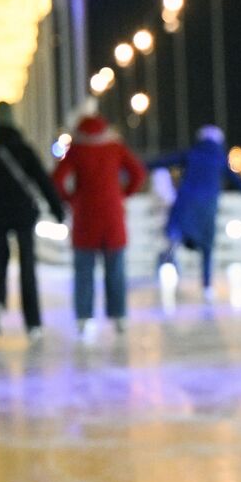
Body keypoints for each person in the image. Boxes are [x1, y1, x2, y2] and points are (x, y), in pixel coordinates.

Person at [0, 101, 67, 341]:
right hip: (22, 215)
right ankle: (33, 323)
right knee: (27, 267)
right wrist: (57, 209)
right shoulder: (23, 148)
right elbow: (42, 180)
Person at [51, 110, 146, 340]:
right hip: (112, 217)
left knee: (84, 272)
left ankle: (84, 317)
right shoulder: (115, 147)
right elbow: (138, 173)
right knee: (116, 271)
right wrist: (122, 194)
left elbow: (57, 180)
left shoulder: (76, 150)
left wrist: (71, 199)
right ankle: (119, 316)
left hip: (85, 218)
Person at [149, 125, 241, 302]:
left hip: (186, 204)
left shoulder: (192, 154)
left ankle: (171, 249)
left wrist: (138, 165)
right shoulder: (219, 158)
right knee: (207, 246)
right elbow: (239, 183)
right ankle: (206, 286)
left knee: (176, 233)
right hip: (207, 208)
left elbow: (164, 161)